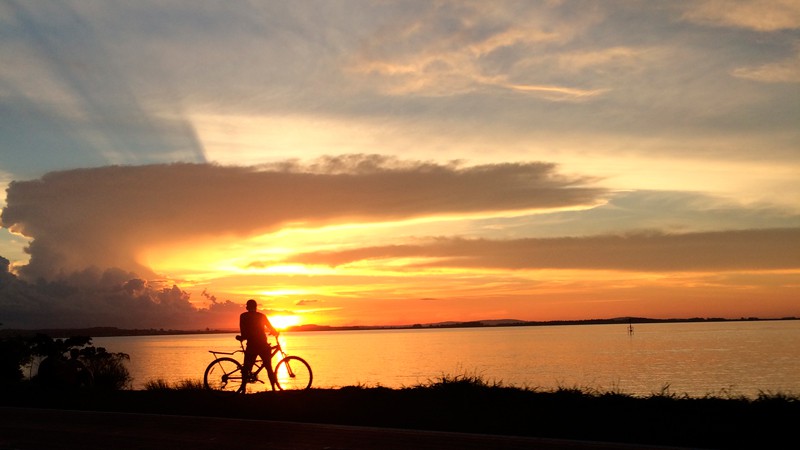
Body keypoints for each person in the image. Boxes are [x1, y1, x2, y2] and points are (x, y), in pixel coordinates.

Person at [239, 299, 280, 386]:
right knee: (269, 368)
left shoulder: (243, 316)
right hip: (263, 345)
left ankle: (243, 389)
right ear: (256, 307)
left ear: (247, 307)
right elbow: (270, 327)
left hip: (251, 345)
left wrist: (242, 337)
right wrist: (275, 332)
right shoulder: (262, 316)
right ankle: (274, 389)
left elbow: (243, 332)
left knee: (247, 368)